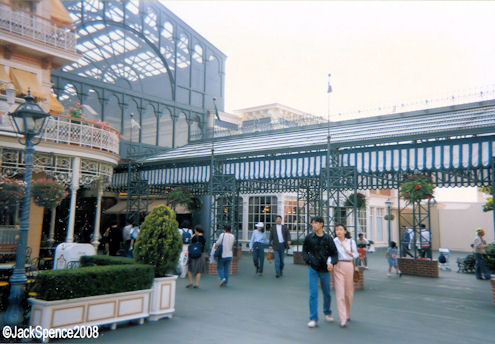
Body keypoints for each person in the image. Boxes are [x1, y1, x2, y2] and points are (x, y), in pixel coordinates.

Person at [302, 216, 338, 328]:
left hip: (324, 270)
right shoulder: (309, 238)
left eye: (316, 223)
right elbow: (304, 252)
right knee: (313, 294)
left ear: (321, 224)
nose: (314, 225)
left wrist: (332, 262)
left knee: (327, 293)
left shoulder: (328, 238)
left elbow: (334, 253)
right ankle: (313, 318)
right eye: (312, 223)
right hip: (312, 269)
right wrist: (309, 260)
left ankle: (327, 312)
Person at [333, 223, 359, 328]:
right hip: (337, 266)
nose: (338, 231)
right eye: (336, 230)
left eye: (340, 229)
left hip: (349, 266)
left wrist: (350, 253)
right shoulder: (333, 242)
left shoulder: (351, 242)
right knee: (340, 293)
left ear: (345, 231)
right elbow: (330, 254)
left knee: (349, 293)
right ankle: (342, 319)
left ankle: (347, 313)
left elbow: (356, 255)